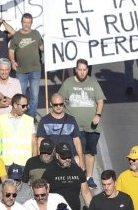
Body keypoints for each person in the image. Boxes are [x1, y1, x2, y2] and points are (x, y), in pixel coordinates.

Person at [58, 59, 105, 189]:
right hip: (74, 127)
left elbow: (100, 101)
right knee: (76, 153)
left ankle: (89, 177)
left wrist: (98, 114)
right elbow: (59, 99)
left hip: (91, 127)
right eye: (80, 69)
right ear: (76, 69)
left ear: (88, 70)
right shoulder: (68, 83)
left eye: (85, 70)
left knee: (89, 153)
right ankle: (78, 175)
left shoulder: (93, 83)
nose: (82, 72)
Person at [36, 93, 84, 170]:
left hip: (67, 158)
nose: (58, 106)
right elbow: (39, 142)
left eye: (61, 104)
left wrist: (81, 160)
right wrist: (38, 160)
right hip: (50, 159)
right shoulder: (44, 120)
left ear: (63, 103)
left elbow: (77, 141)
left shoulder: (71, 120)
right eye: (56, 104)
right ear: (51, 104)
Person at [9, 13, 44, 119]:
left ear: (31, 23)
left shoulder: (36, 34)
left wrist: (49, 43)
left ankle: (32, 116)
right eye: (25, 22)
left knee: (34, 96)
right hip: (21, 71)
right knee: (21, 96)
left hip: (35, 70)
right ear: (21, 22)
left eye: (29, 22)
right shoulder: (16, 35)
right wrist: (12, 61)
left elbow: (42, 47)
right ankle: (21, 115)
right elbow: (11, 50)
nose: (27, 25)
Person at [41, 142, 93, 210]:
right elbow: (42, 195)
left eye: (68, 156)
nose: (67, 159)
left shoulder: (77, 170)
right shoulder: (49, 172)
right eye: (64, 157)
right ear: (57, 155)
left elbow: (86, 193)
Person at [0, 94, 37, 167]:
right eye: (23, 106)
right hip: (4, 163)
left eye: (26, 106)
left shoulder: (29, 120)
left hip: (24, 164)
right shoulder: (0, 119)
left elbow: (34, 143)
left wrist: (34, 162)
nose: (25, 108)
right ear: (15, 105)